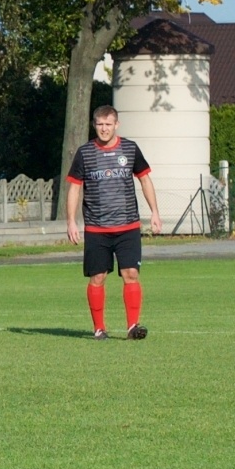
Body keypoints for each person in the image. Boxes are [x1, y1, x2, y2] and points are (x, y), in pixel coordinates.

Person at [66, 104, 162, 340]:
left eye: (108, 124)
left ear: (116, 125)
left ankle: (132, 327)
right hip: (97, 228)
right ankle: (99, 328)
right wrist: (70, 221)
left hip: (128, 226)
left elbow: (145, 181)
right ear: (94, 125)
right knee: (98, 277)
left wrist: (155, 212)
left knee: (131, 273)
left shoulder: (130, 149)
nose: (104, 129)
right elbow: (74, 188)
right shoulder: (85, 153)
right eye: (100, 124)